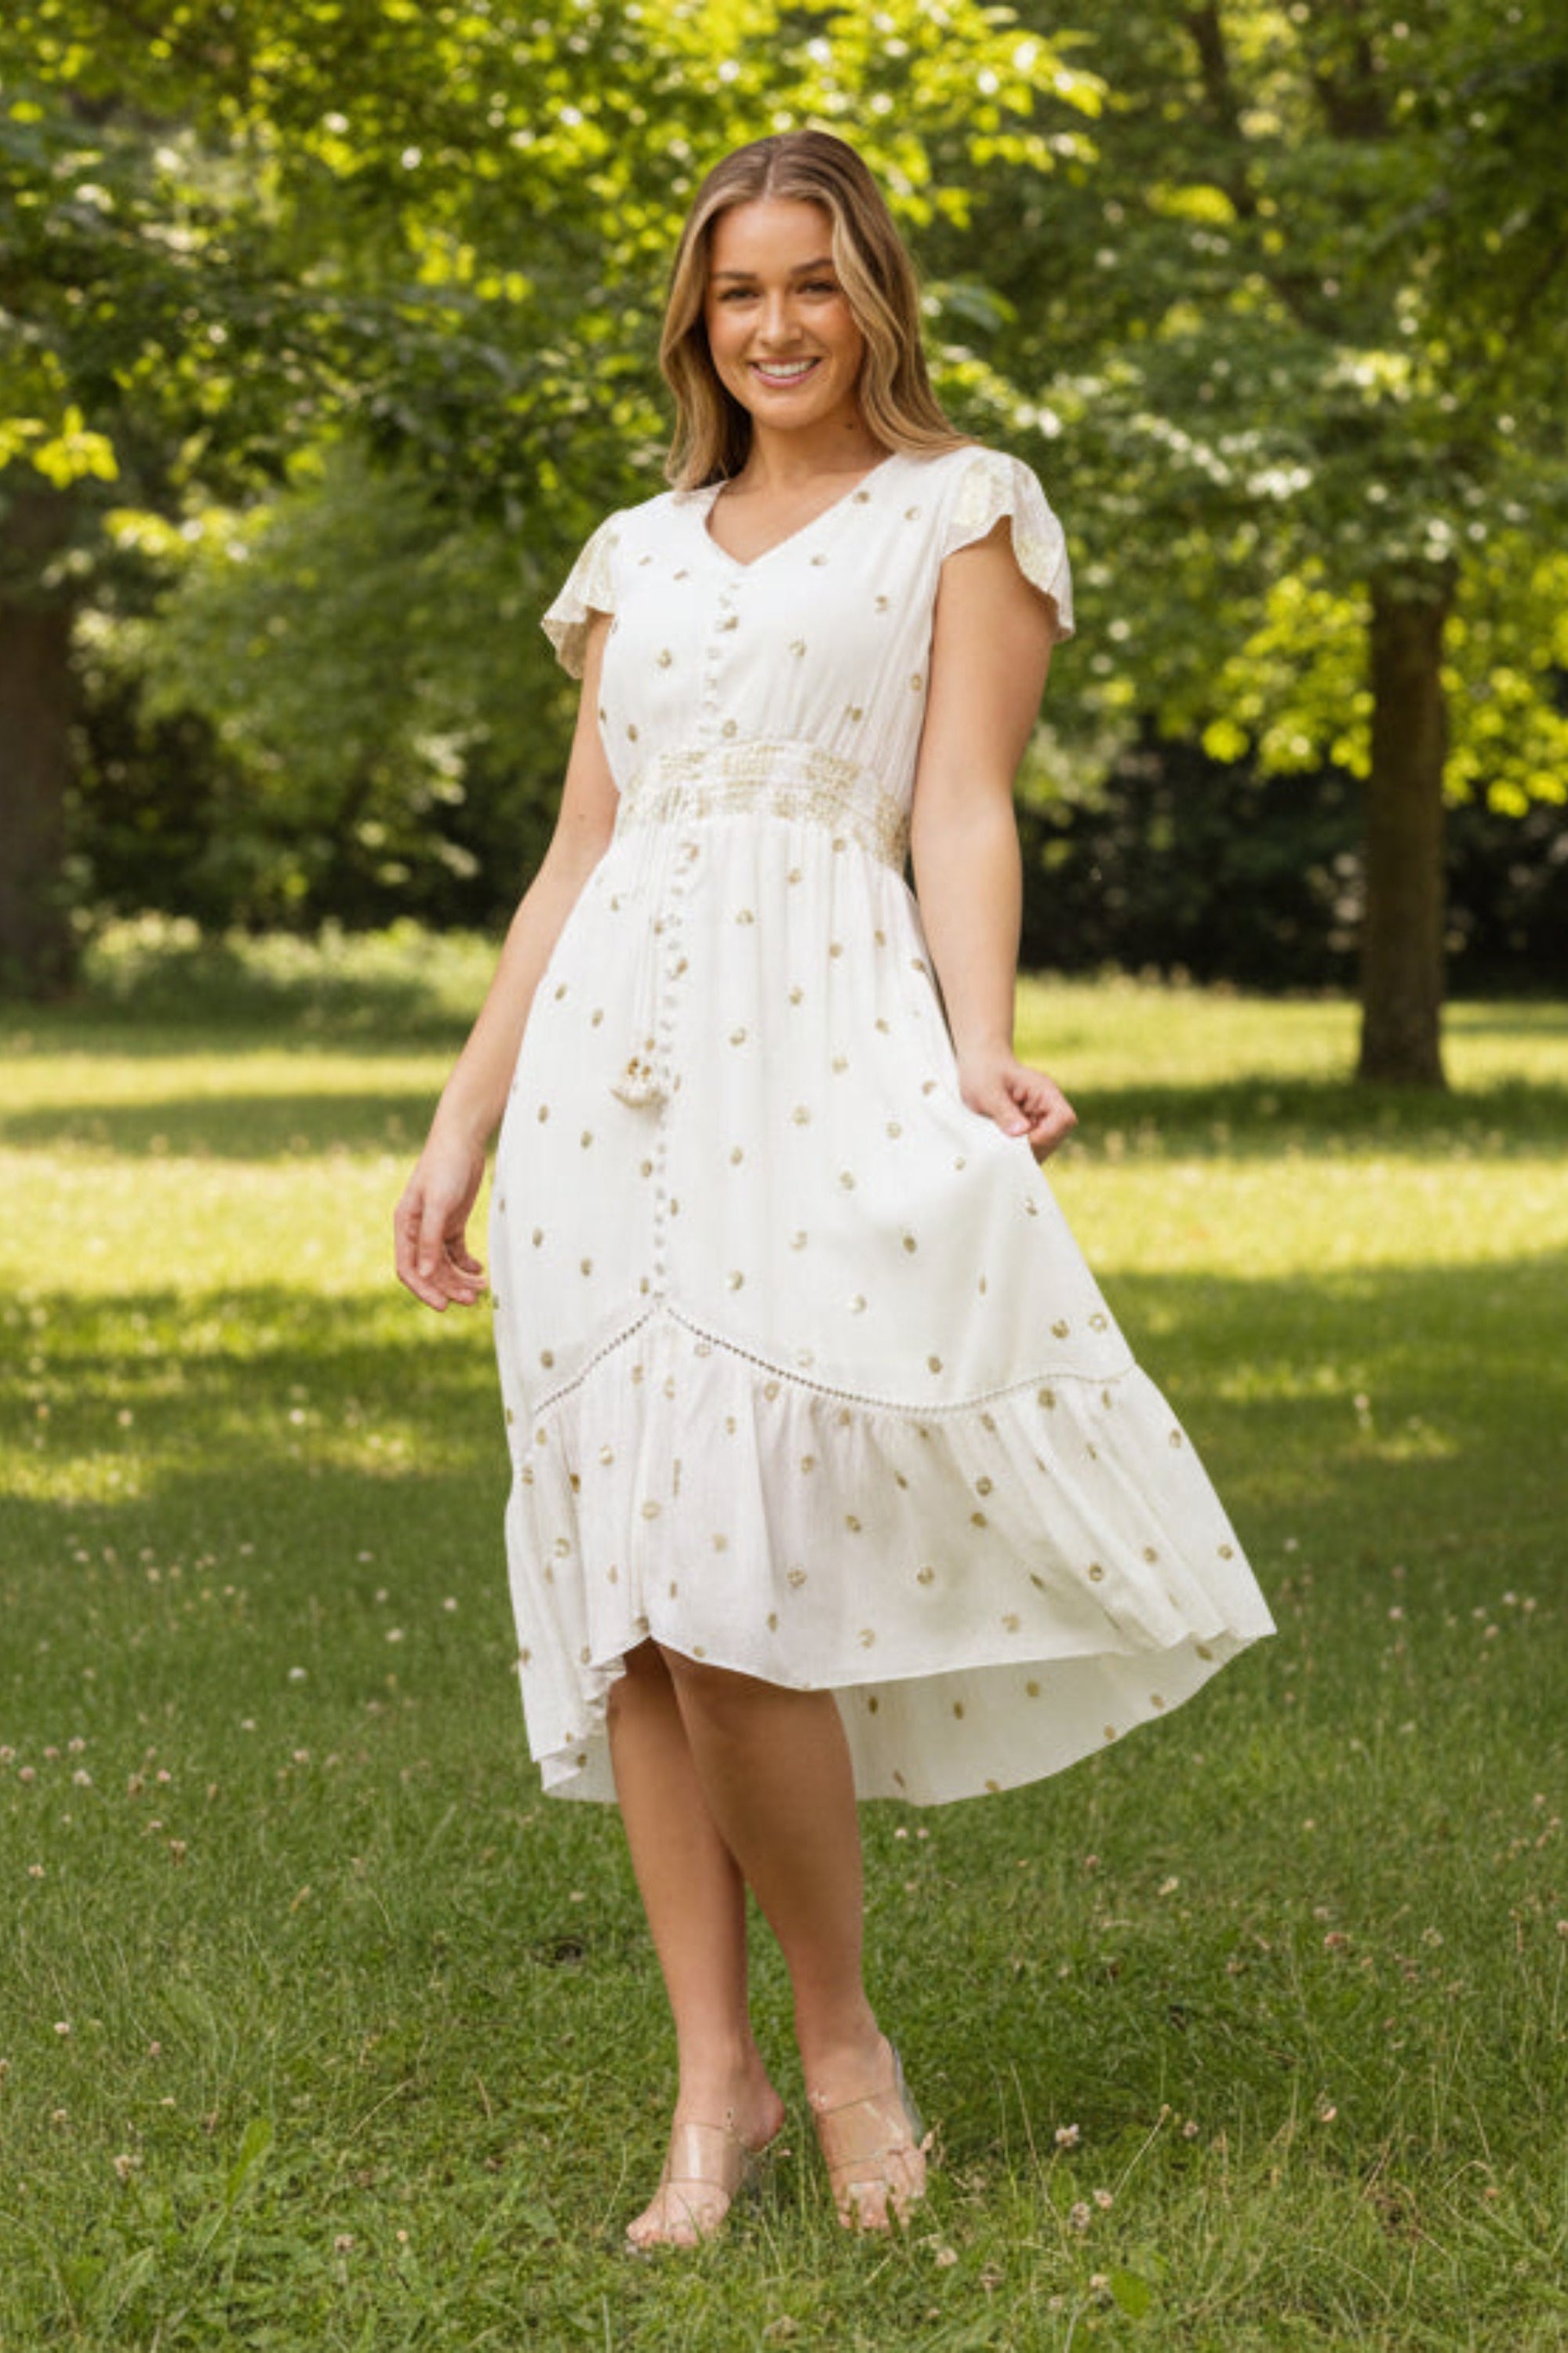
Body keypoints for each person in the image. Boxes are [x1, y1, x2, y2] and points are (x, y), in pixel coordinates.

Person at [395, 127, 1275, 2250]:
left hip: (820, 1054)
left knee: (737, 1579)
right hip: (608, 1091)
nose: (773, 325)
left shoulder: (962, 515)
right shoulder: (636, 547)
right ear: (697, 322)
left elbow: (962, 807)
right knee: (634, 1605)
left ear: (871, 293)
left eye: (810, 283)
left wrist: (976, 1044)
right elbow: (573, 858)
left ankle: (844, 2033)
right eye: (736, 294)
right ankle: (717, 2090)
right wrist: (461, 1118)